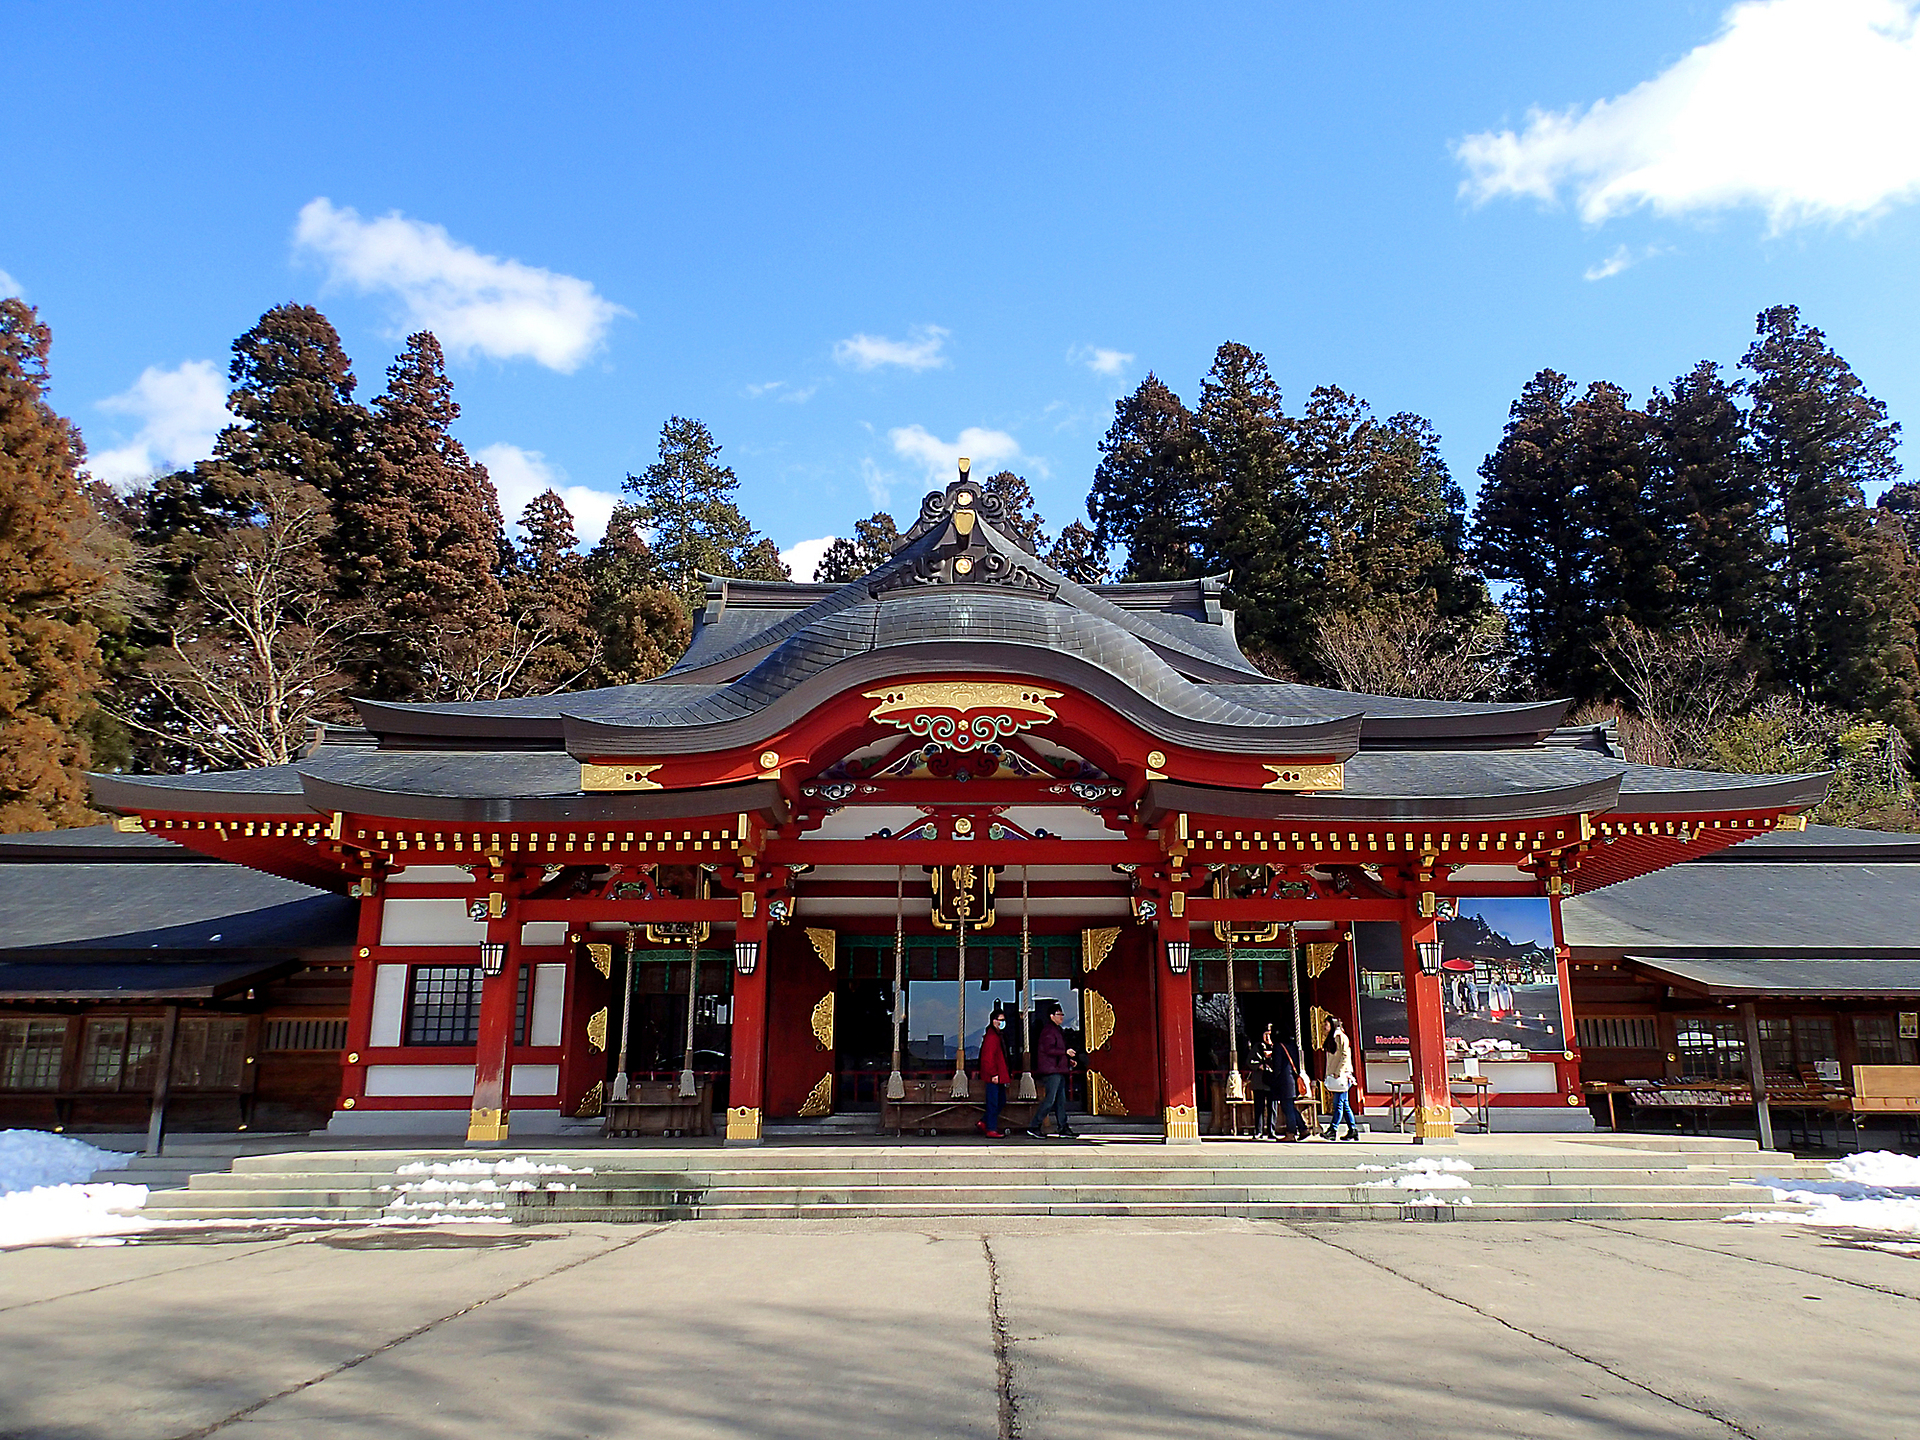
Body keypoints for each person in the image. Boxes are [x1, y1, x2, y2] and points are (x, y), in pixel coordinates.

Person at [1023, 999, 1078, 1139]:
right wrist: (1065, 1053)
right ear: (1051, 1016)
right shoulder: (1048, 1031)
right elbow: (1049, 1050)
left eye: (1062, 1014)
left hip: (1058, 1070)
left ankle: (1063, 1127)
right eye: (1059, 1014)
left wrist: (1068, 1060)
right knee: (1050, 1100)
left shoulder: (1057, 1030)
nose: (1061, 1017)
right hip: (1051, 1071)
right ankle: (1034, 1125)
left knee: (1060, 1101)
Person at [1259, 1027, 1308, 1141]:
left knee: (1287, 1108)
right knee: (1290, 1106)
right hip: (1292, 1079)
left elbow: (1277, 1066)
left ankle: (1291, 1133)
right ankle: (1303, 1128)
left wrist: (1272, 1076)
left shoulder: (1278, 1046)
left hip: (1284, 1080)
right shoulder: (1293, 1045)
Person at [1320, 1015, 1359, 1141]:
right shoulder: (1332, 1038)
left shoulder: (1341, 1037)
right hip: (1335, 1074)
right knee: (1344, 1104)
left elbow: (1345, 1055)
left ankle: (1333, 1129)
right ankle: (1352, 1129)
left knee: (1338, 1104)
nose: (1324, 1027)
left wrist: (1339, 1071)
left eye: (1326, 1024)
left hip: (1342, 1075)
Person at [976, 1006, 1012, 1139]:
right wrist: (993, 1074)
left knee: (1000, 1100)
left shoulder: (997, 1036)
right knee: (994, 1102)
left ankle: (985, 1122)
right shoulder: (992, 1037)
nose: (1002, 1023)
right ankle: (990, 1128)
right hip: (994, 1076)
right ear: (993, 1021)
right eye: (1000, 1020)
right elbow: (988, 1058)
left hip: (998, 1074)